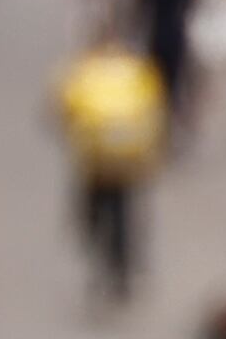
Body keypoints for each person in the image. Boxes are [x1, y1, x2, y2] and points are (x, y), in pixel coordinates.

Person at [54, 24, 169, 306]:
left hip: (95, 157)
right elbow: (156, 106)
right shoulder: (138, 68)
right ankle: (123, 266)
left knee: (92, 212)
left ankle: (103, 260)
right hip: (129, 158)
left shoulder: (84, 69)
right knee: (125, 211)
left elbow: (64, 107)